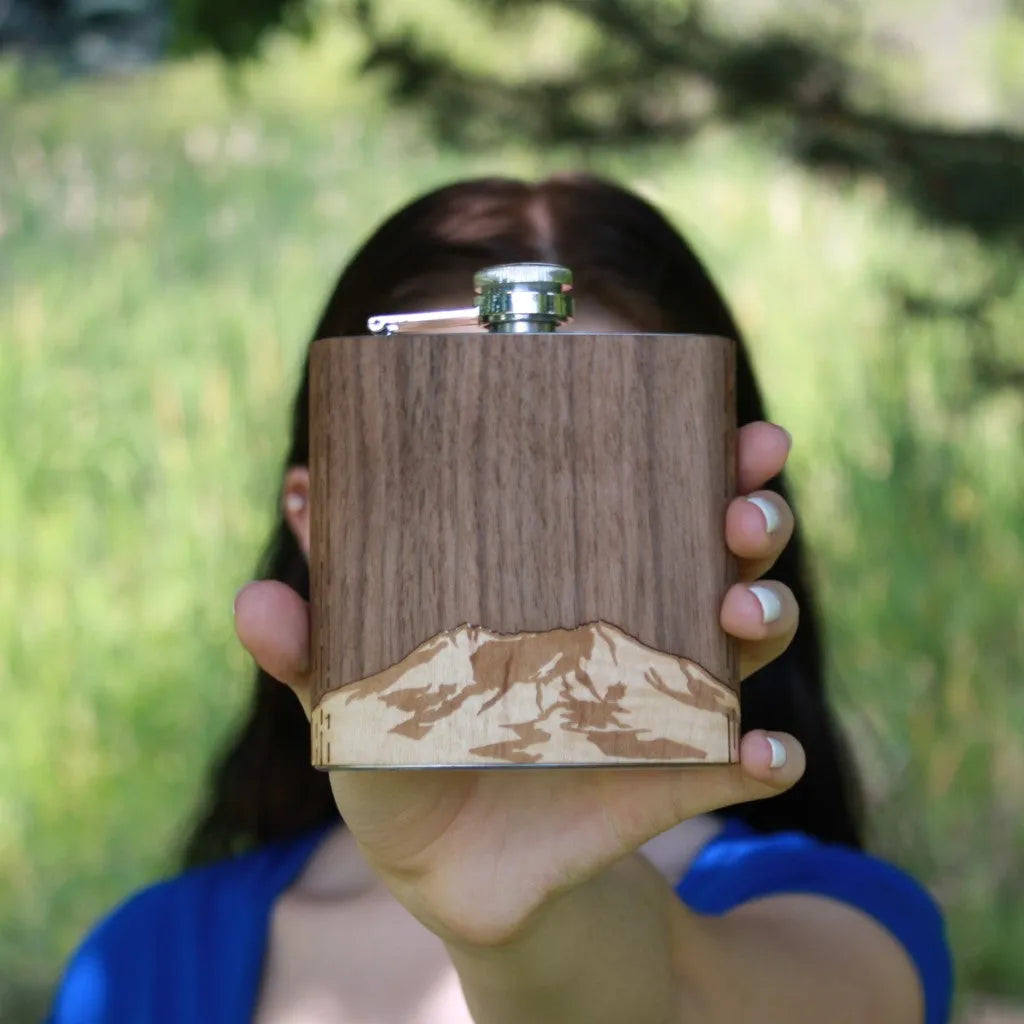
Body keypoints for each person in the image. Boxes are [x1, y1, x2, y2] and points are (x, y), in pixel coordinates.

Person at [47, 174, 952, 1024]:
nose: (529, 538)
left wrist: (534, 924)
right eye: (458, 473)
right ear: (317, 520)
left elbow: (683, 1001)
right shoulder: (142, 963)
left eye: (600, 467)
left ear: (723, 516)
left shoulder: (838, 930)